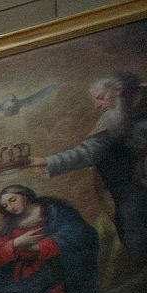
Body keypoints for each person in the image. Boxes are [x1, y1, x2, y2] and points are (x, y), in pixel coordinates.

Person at [32, 73, 147, 270]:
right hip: (131, 193)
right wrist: (44, 161)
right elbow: (85, 153)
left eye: (101, 97)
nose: (97, 106)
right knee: (135, 236)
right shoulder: (114, 121)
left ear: (118, 90)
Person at [0, 184, 99, 293]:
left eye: (13, 200)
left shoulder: (55, 212)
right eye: (5, 205)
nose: (10, 207)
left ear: (25, 195)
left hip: (58, 274)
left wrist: (39, 247)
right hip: (24, 282)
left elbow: (78, 233)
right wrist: (15, 244)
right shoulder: (11, 225)